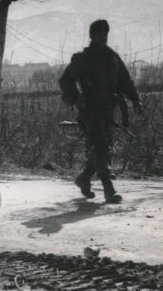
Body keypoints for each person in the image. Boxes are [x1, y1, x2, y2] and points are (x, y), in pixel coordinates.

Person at [59, 19, 142, 204]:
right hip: (89, 109)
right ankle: (108, 190)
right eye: (99, 34)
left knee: (104, 149)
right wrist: (76, 97)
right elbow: (65, 80)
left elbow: (125, 80)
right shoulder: (82, 58)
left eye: (105, 34)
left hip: (108, 108)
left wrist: (135, 99)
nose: (103, 37)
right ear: (92, 36)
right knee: (101, 146)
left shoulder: (113, 56)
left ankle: (84, 178)